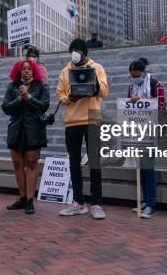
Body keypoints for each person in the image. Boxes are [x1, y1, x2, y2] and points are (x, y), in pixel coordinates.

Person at [56, 38, 109, 219]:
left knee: (95, 163)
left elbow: (104, 91)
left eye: (78, 50)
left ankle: (96, 204)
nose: (75, 53)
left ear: (85, 52)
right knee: (74, 163)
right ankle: (78, 202)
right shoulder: (65, 71)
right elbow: (60, 94)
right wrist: (72, 97)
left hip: (92, 119)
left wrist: (92, 84)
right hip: (72, 121)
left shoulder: (97, 68)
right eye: (73, 50)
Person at [2, 59, 50, 214]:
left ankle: (30, 199)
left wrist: (29, 97)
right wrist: (19, 99)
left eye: (29, 69)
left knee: (31, 163)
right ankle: (22, 198)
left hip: (33, 129)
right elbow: (6, 107)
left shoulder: (41, 86)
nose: (27, 71)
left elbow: (44, 106)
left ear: (34, 70)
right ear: (19, 72)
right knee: (17, 164)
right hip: (16, 130)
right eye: (23, 69)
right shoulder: (12, 86)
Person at [127, 58, 167, 219]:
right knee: (141, 166)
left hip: (152, 129)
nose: (135, 78)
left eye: (137, 75)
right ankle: (145, 200)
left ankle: (151, 204)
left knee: (148, 166)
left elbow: (161, 105)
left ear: (144, 73)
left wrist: (142, 100)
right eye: (132, 76)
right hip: (138, 129)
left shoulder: (155, 85)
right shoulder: (131, 87)